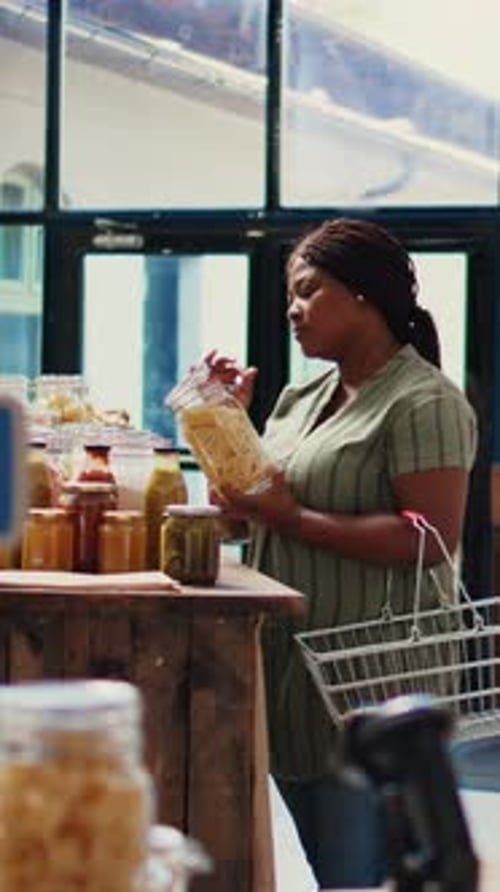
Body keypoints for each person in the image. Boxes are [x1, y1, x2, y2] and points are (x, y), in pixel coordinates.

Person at [204, 217, 478, 888]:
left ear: (364, 294)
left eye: (309, 290)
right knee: (337, 874)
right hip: (293, 678)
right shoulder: (300, 400)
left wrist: (292, 517)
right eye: (290, 295)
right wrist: (222, 422)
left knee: (358, 879)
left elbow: (430, 536)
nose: (292, 310)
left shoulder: (425, 401)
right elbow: (244, 513)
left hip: (374, 686)